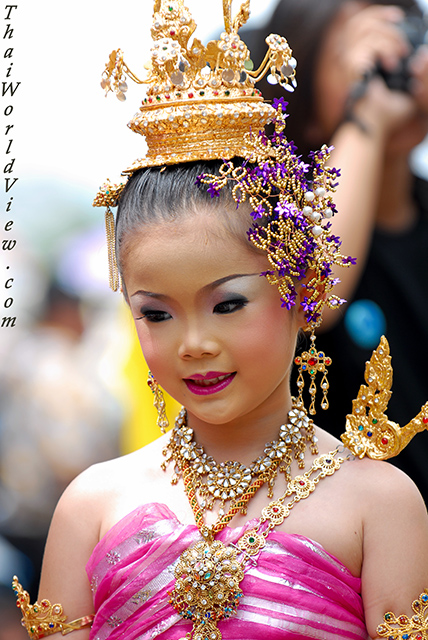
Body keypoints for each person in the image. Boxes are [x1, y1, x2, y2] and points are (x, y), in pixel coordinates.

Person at [12, 1, 428, 639]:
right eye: (156, 313)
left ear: (304, 288)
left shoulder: (381, 505)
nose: (195, 343)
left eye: (228, 303)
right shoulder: (91, 507)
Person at [244, 0, 428, 503]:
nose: (393, 62)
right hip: (351, 547)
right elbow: (312, 298)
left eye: (405, 35)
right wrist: (364, 119)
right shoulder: (274, 229)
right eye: (364, 49)